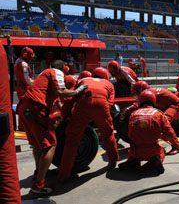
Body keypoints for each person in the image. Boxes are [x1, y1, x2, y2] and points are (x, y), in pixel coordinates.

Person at [17, 60, 87, 195]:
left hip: (25, 107)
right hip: (36, 107)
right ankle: (39, 185)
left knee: (38, 145)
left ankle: (39, 172)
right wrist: (77, 91)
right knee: (51, 145)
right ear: (64, 69)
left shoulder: (42, 77)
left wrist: (64, 113)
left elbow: (57, 103)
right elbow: (62, 92)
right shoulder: (56, 72)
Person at [58, 67, 119, 183]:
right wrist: (98, 115)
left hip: (83, 103)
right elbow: (110, 103)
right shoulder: (109, 84)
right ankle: (113, 161)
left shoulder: (82, 81)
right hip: (102, 105)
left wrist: (66, 116)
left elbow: (70, 99)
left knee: (72, 141)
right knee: (108, 135)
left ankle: (63, 175)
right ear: (106, 76)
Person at [118, 90, 179, 174]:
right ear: (153, 100)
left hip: (136, 151)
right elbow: (169, 134)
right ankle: (154, 159)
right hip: (152, 150)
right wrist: (161, 136)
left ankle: (133, 160)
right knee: (161, 150)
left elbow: (130, 135)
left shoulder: (133, 114)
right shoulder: (159, 114)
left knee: (133, 150)